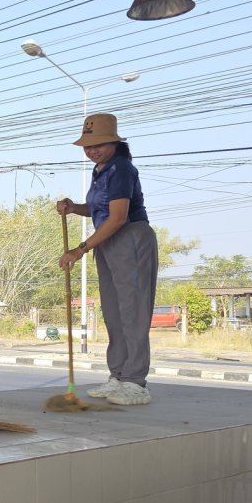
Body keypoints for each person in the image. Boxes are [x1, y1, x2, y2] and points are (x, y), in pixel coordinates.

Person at [56, 113, 158, 405]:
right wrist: (74, 207)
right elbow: (98, 208)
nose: (92, 151)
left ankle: (135, 382)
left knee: (133, 312)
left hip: (129, 237)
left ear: (114, 142)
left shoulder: (122, 168)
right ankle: (118, 376)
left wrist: (80, 249)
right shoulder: (100, 170)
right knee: (113, 312)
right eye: (88, 146)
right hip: (107, 241)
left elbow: (117, 218)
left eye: (98, 144)